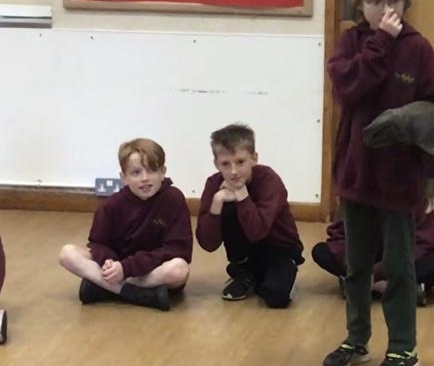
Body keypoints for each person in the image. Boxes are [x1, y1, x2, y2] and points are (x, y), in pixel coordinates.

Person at [322, 0, 434, 366]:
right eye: (375, 1)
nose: (385, 10)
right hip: (357, 173)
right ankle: (356, 338)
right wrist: (379, 43)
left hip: (400, 179)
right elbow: (348, 88)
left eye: (393, 0)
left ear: (405, 1)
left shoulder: (418, 48)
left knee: (399, 266)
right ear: (359, 3)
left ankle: (403, 347)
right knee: (356, 263)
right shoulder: (351, 44)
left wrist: (423, 160)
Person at [58, 138, 192, 311]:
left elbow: (178, 250)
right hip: (118, 267)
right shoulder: (110, 206)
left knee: (179, 269)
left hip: (152, 270)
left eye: (152, 170)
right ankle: (140, 295)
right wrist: (109, 264)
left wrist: (126, 269)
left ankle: (107, 289)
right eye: (136, 173)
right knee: (67, 253)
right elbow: (98, 243)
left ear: (163, 172)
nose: (145, 178)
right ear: (124, 177)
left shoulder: (174, 199)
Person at [196, 123, 304, 308]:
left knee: (276, 297)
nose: (233, 171)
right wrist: (217, 203)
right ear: (216, 164)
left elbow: (257, 231)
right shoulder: (214, 184)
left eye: (240, 162)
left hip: (279, 249)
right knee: (227, 206)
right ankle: (244, 271)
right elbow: (208, 244)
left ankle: (274, 274)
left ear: (254, 158)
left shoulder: (269, 180)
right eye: (225, 164)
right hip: (246, 253)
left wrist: (242, 195)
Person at [311, 198, 434, 305]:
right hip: (363, 258)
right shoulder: (354, 190)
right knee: (321, 251)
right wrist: (361, 268)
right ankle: (400, 290)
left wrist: (376, 273)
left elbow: (422, 246)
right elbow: (339, 238)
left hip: (401, 261)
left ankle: (364, 286)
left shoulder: (419, 193)